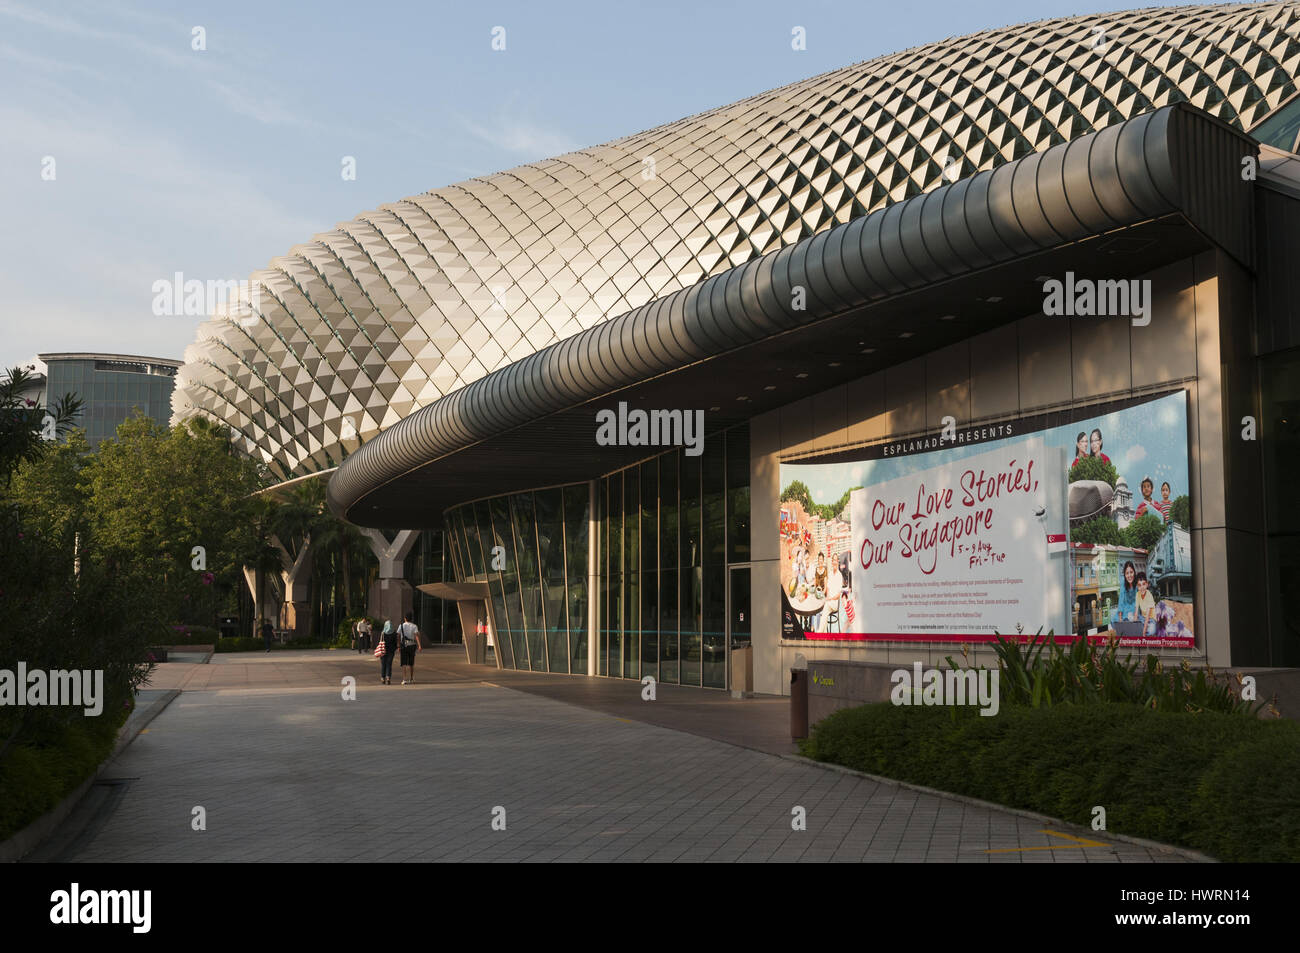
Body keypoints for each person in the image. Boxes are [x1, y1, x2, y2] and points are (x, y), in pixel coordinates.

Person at [397, 611, 422, 684]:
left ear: (405, 618)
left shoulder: (401, 626)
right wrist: (419, 645)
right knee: (411, 663)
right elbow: (417, 636)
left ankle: (404, 679)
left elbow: (398, 635)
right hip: (412, 645)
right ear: (411, 619)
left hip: (403, 646)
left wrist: (398, 645)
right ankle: (411, 678)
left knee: (403, 663)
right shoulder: (414, 626)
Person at [378, 620, 397, 684]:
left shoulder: (383, 633)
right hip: (391, 651)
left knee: (383, 664)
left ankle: (383, 678)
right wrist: (394, 648)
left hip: (383, 650)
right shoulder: (394, 633)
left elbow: (380, 641)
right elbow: (395, 643)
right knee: (389, 664)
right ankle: (388, 677)